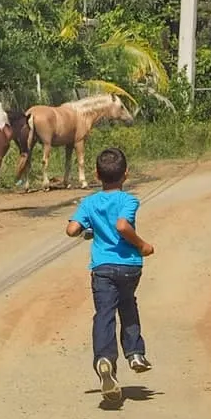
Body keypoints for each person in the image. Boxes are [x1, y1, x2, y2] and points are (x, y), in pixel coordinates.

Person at [66, 146, 154, 401]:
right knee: (128, 306)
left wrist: (89, 229)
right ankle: (135, 353)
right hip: (129, 267)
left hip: (102, 269)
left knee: (104, 314)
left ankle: (105, 359)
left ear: (96, 174)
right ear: (125, 174)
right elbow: (123, 225)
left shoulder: (89, 202)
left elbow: (72, 230)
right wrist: (142, 245)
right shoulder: (129, 200)